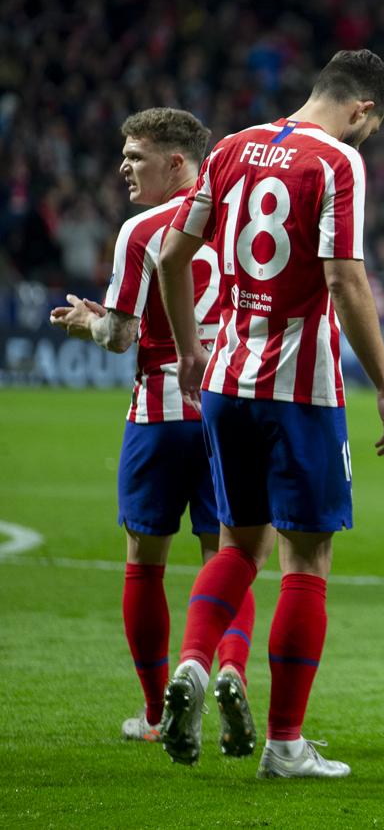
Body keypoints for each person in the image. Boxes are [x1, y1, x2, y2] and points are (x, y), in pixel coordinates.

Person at [157, 49, 384, 779]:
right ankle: (284, 744)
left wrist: (189, 350)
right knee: (306, 557)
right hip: (300, 391)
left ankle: (196, 664)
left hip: (228, 379)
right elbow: (343, 279)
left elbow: (174, 258)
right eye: (371, 127)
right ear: (362, 110)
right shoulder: (336, 161)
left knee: (237, 546)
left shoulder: (231, 147)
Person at [48, 107, 258, 754]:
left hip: (162, 415)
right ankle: (227, 674)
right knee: (229, 556)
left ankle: (153, 710)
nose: (124, 168)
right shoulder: (244, 218)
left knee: (145, 561)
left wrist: (90, 323)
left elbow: (120, 337)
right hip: (232, 410)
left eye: (136, 156)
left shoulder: (145, 230)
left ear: (177, 163)